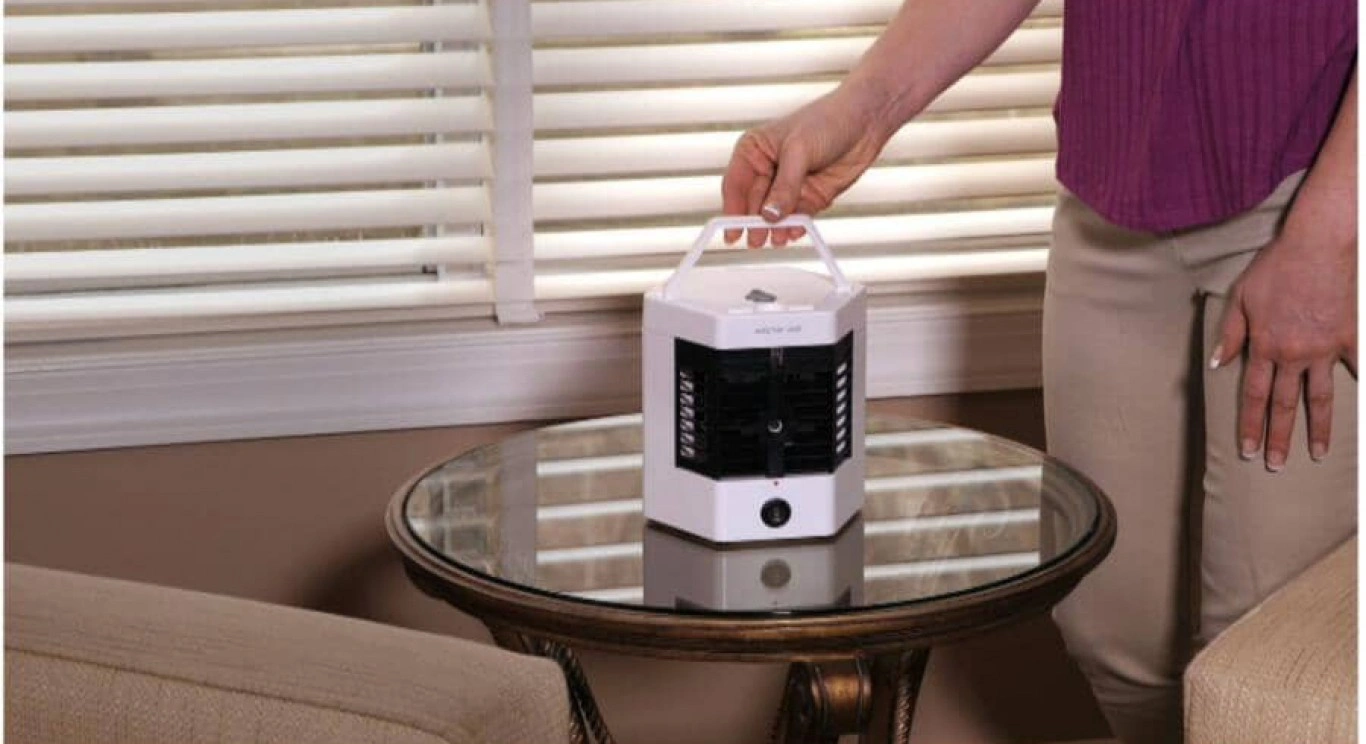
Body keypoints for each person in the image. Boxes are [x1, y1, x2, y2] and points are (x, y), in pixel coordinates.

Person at [720, 2, 1357, 742]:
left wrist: (1333, 236)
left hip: (1314, 195)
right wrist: (863, 106)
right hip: (1116, 182)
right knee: (1113, 635)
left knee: (1267, 668)